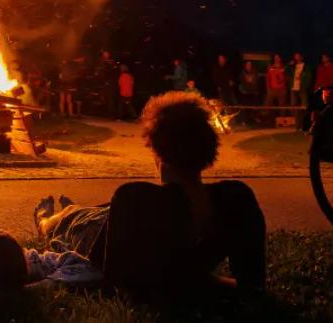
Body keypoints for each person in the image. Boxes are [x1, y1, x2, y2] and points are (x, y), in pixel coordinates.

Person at [35, 92, 266, 300]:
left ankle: (44, 218)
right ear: (209, 147)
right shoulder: (236, 198)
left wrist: (189, 281)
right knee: (96, 211)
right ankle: (72, 209)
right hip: (116, 218)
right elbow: (252, 285)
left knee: (72, 217)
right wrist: (199, 279)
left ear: (156, 151)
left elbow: (116, 283)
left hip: (94, 231)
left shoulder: (134, 198)